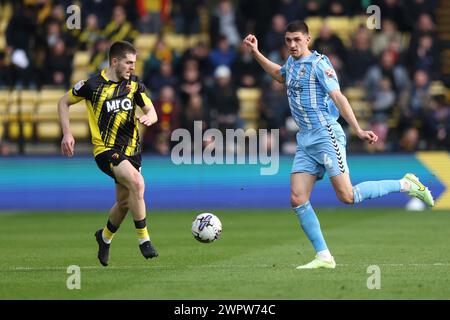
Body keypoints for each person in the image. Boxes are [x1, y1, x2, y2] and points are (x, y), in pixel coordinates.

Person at [243, 21, 435, 269]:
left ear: (308, 39)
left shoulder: (320, 64)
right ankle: (324, 256)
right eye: (288, 40)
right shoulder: (291, 63)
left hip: (325, 134)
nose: (292, 44)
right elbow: (280, 75)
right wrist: (256, 53)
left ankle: (407, 184)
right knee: (297, 197)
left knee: (348, 196)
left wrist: (357, 129)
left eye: (297, 39)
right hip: (306, 139)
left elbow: (338, 97)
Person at [58, 41, 159, 267]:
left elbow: (151, 111)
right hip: (106, 151)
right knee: (138, 183)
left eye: (134, 63)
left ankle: (104, 238)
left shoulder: (134, 85)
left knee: (124, 203)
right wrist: (67, 133)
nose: (133, 67)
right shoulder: (91, 85)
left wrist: (150, 118)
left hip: (133, 152)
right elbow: (63, 102)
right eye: (129, 63)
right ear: (115, 61)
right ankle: (144, 240)